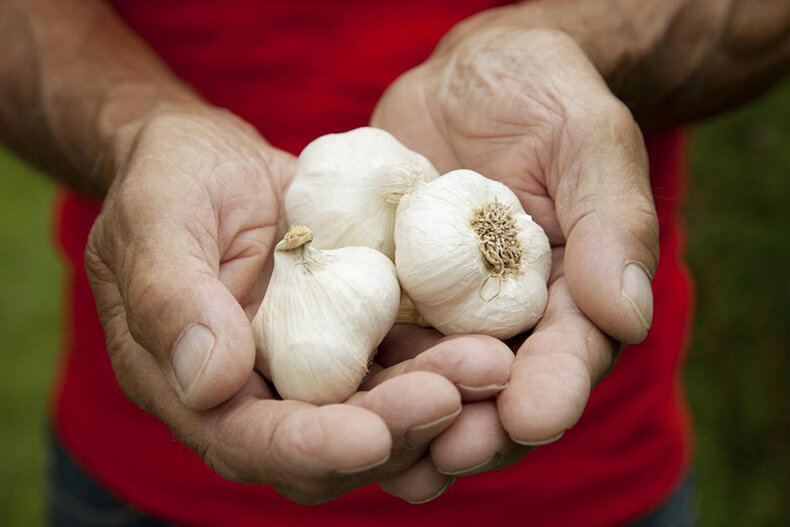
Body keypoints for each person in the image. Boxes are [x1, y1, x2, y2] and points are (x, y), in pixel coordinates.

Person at [1, 0, 787, 525]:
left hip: (594, 474)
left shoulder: (447, 217)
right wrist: (135, 129)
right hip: (153, 461)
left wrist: (583, 44)